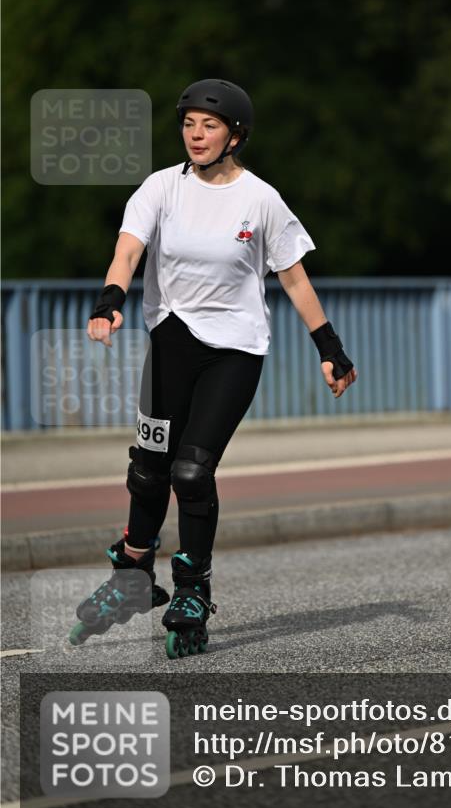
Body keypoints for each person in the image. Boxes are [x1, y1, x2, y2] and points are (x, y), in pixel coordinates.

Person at [71, 79, 357, 659]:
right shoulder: (160, 188)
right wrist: (110, 299)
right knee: (149, 471)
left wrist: (329, 345)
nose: (196, 136)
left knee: (192, 472)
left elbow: (293, 277)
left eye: (209, 126)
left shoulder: (261, 199)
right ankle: (131, 575)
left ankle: (193, 590)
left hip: (234, 349)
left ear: (235, 135)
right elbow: (129, 250)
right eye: (188, 125)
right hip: (171, 342)